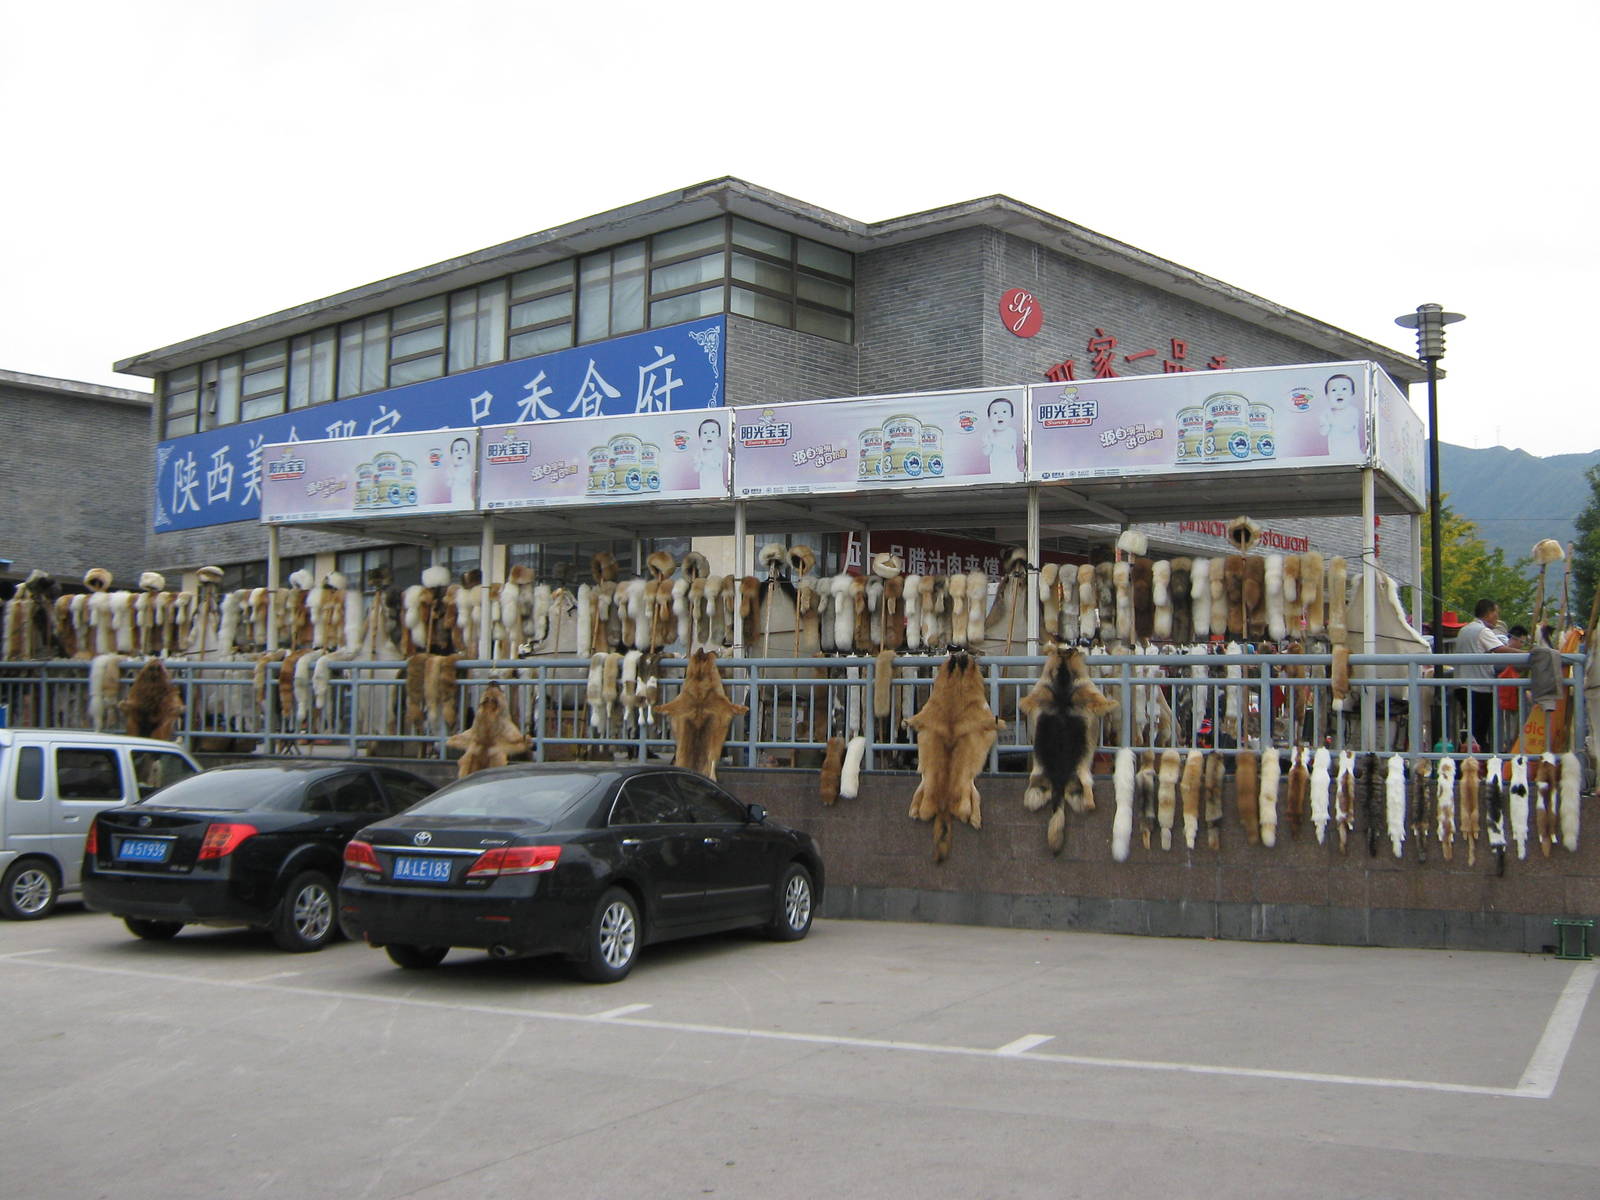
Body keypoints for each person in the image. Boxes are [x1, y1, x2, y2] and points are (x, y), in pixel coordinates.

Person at [1454, 599, 1524, 752]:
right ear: (1489, 613)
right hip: (1478, 686)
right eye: (1496, 614)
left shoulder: (1465, 629)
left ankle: (1464, 758)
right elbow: (1500, 649)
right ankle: (1475, 758)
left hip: (1461, 684)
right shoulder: (1482, 631)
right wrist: (1526, 654)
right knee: (1479, 729)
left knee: (1471, 726)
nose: (1497, 618)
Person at [1318, 373, 1363, 460]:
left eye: (1344, 389)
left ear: (1352, 393)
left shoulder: (1352, 411)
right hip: (1335, 454)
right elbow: (1323, 433)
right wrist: (1325, 424)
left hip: (1353, 454)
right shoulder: (1326, 413)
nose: (1339, 393)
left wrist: (1331, 421)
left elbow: (1348, 428)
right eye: (1334, 390)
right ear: (1327, 395)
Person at [980, 396, 1022, 480]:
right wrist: (986, 443)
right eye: (995, 413)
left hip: (1011, 473)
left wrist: (993, 440)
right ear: (989, 418)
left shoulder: (1011, 432)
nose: (999, 415)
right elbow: (986, 452)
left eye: (1004, 412)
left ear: (1011, 416)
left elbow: (1010, 448)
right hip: (996, 472)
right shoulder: (989, 433)